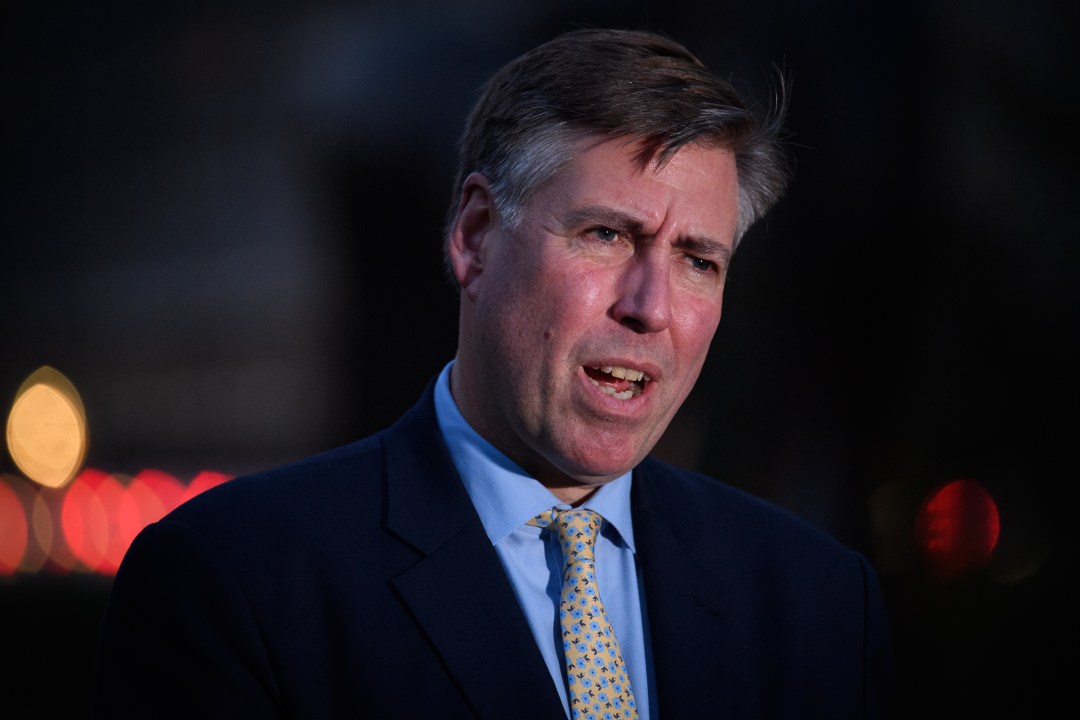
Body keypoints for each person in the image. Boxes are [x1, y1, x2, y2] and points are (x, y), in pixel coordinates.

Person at [92, 28, 894, 719]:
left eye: (697, 260)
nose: (651, 308)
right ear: (475, 236)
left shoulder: (818, 601)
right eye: (606, 235)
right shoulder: (235, 582)